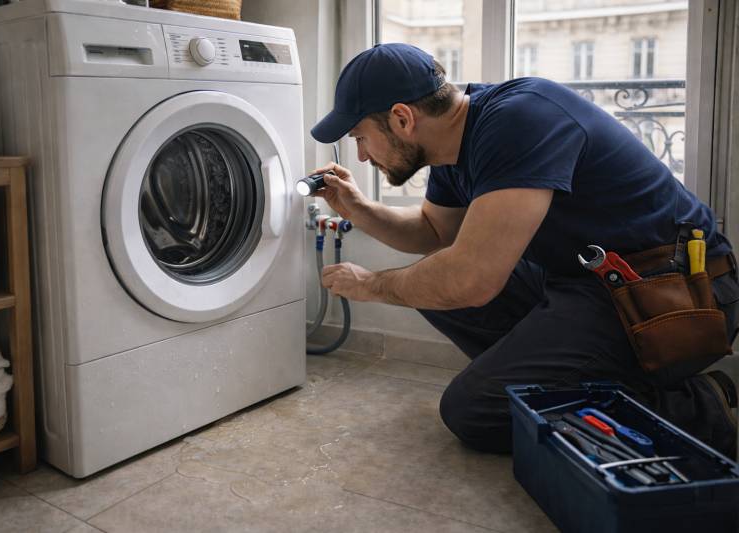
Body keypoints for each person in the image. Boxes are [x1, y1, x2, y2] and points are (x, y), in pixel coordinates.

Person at [309, 43, 739, 456]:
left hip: (670, 292)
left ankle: (705, 405)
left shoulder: (519, 120)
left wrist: (373, 285)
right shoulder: (451, 144)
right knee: (434, 282)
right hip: (586, 281)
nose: (361, 156)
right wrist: (358, 208)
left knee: (474, 410)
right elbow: (432, 231)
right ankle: (540, 383)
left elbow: (471, 280)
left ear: (402, 118)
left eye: (361, 137)